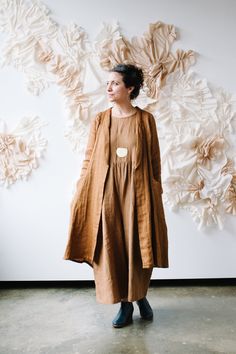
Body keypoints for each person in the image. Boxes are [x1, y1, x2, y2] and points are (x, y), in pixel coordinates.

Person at [63, 63, 169, 328]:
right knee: (111, 248)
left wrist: (156, 189)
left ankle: (138, 295)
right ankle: (126, 303)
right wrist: (80, 189)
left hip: (138, 194)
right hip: (106, 193)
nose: (108, 88)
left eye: (115, 83)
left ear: (130, 88)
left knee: (139, 247)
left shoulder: (145, 120)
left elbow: (155, 160)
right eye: (108, 83)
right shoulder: (100, 120)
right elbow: (89, 158)